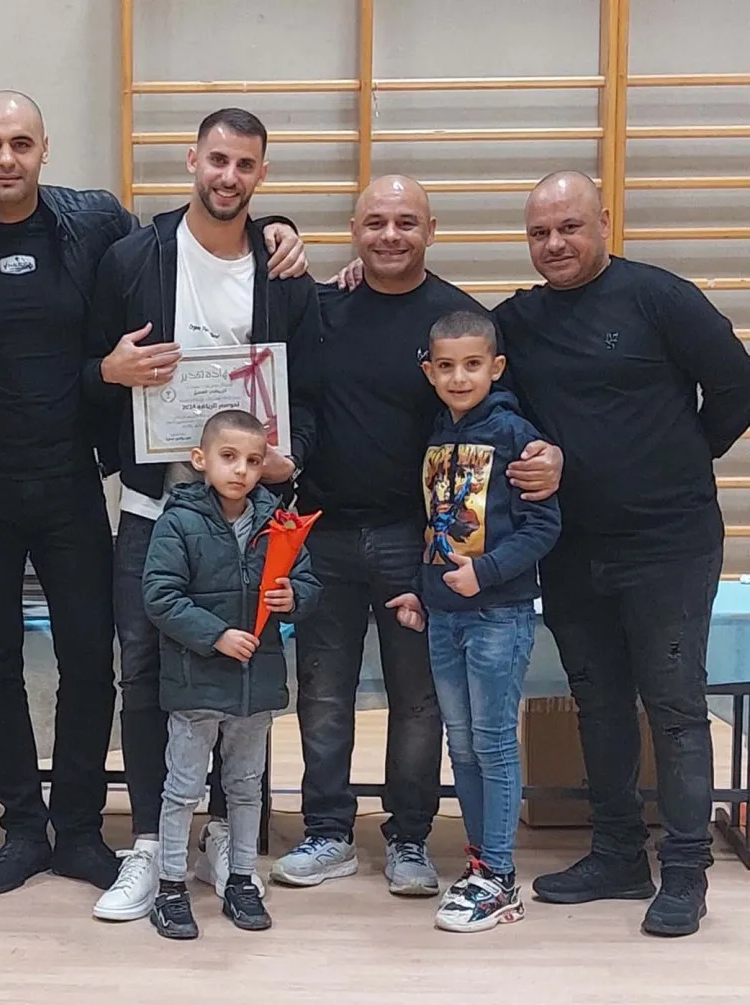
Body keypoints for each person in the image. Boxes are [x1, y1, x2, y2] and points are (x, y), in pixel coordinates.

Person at [0, 91, 308, 896]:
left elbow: (200, 229)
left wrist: (276, 229)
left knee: (90, 659)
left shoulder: (93, 223)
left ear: (44, 149)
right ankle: (22, 823)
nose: (6, 157)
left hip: (71, 482)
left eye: (21, 142)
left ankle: (79, 826)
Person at [276, 176, 562, 896]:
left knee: (419, 702)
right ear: (354, 230)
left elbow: (504, 417)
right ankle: (327, 831)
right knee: (323, 695)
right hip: (323, 533)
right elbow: (296, 397)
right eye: (375, 221)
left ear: (431, 230)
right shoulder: (323, 309)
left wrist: (548, 456)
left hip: (420, 543)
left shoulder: (458, 322)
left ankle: (409, 835)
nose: (390, 234)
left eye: (407, 221)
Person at [492, 171, 750, 937]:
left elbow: (737, 387)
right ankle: (616, 854)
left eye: (569, 227)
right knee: (598, 701)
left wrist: (681, 456)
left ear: (604, 221)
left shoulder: (659, 297)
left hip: (669, 543)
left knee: (675, 706)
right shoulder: (519, 321)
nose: (554, 244)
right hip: (572, 545)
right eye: (539, 233)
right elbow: (446, 341)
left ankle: (686, 871)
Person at [86, 107, 323, 922]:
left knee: (241, 674)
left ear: (262, 174)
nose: (229, 176)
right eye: (217, 159)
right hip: (154, 509)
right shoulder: (133, 258)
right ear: (192, 160)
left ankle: (228, 834)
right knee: (145, 674)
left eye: (245, 164)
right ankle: (152, 844)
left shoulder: (283, 271)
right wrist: (111, 371)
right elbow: (90, 370)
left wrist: (293, 458)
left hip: (248, 519)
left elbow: (310, 391)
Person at [388, 310, 560, 933]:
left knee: (492, 742)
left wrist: (484, 573)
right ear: (429, 372)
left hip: (497, 615)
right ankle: (481, 863)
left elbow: (544, 526)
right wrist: (420, 590)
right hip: (443, 616)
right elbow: (435, 524)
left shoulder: (516, 435)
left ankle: (502, 877)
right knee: (460, 743)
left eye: (472, 365)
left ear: (496, 367)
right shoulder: (437, 435)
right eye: (446, 366)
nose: (459, 377)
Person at [141, 410, 322, 940]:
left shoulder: (278, 522)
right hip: (196, 682)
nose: (241, 470)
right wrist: (216, 634)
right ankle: (170, 886)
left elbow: (307, 583)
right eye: (228, 457)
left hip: (254, 686)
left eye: (253, 460)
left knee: (246, 788)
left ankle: (241, 878)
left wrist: (294, 598)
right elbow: (159, 596)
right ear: (201, 460)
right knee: (182, 788)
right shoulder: (178, 521)